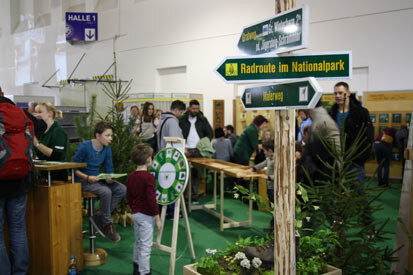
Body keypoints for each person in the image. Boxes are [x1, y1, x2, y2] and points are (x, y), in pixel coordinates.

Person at [0, 88, 46, 275]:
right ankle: (20, 272)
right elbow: (42, 126)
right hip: (21, 179)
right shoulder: (19, 112)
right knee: (18, 229)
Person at [71, 121, 126, 242]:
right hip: (83, 180)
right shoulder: (85, 147)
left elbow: (109, 169)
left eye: (111, 135)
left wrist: (110, 178)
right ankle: (106, 224)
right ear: (97, 135)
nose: (110, 138)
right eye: (107, 135)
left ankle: (100, 216)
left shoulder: (107, 149)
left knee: (121, 189)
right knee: (105, 191)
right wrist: (86, 177)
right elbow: (72, 168)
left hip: (97, 180)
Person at [127, 144, 162, 275]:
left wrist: (134, 208)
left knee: (138, 242)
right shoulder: (149, 178)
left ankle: (136, 269)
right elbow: (152, 200)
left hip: (135, 214)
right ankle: (144, 272)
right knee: (146, 247)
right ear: (148, 159)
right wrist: (157, 219)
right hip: (146, 216)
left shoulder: (131, 176)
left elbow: (128, 196)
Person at [329, 81, 374, 183]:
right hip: (334, 162)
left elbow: (368, 137)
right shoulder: (331, 114)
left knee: (356, 193)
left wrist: (359, 160)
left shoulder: (361, 113)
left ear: (348, 93)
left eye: (340, 93)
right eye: (335, 93)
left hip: (355, 163)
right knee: (335, 195)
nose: (338, 96)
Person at [179, 99, 213, 204]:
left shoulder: (203, 119)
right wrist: (183, 147)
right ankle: (183, 197)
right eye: (193, 108)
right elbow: (178, 134)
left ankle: (194, 196)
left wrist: (203, 145)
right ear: (189, 108)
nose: (195, 110)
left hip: (198, 151)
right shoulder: (182, 119)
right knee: (184, 174)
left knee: (197, 175)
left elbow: (210, 133)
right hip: (186, 150)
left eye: (197, 109)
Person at [157, 100, 186, 219]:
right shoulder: (172, 122)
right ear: (176, 110)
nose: (181, 115)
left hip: (162, 157)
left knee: (164, 185)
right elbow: (175, 141)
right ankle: (172, 212)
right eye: (181, 112)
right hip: (171, 159)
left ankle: (164, 211)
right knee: (173, 184)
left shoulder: (162, 119)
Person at [33, 102, 68, 181]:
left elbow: (57, 155)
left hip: (57, 176)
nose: (36, 115)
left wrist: (37, 144)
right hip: (43, 175)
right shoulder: (39, 132)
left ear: (50, 114)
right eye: (35, 112)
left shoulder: (58, 132)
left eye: (40, 112)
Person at [249, 140, 275, 232]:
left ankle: (274, 226)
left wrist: (268, 177)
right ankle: (273, 225)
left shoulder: (275, 160)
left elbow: (279, 175)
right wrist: (253, 168)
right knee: (272, 207)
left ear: (270, 150)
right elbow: (261, 164)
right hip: (269, 188)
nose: (263, 152)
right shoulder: (268, 159)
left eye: (264, 151)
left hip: (274, 188)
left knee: (275, 207)